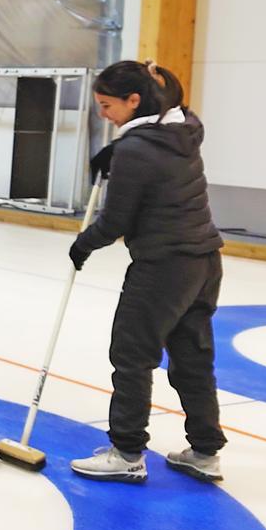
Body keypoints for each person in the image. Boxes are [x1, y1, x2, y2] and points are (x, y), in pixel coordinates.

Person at [68, 59, 226, 484]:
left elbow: (115, 221)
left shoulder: (136, 149)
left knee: (132, 354)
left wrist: (82, 244)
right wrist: (117, 152)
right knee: (192, 356)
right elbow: (171, 112)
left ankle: (126, 451)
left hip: (164, 265)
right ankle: (205, 450)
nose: (103, 114)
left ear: (133, 101)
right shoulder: (184, 128)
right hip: (206, 260)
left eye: (107, 105)